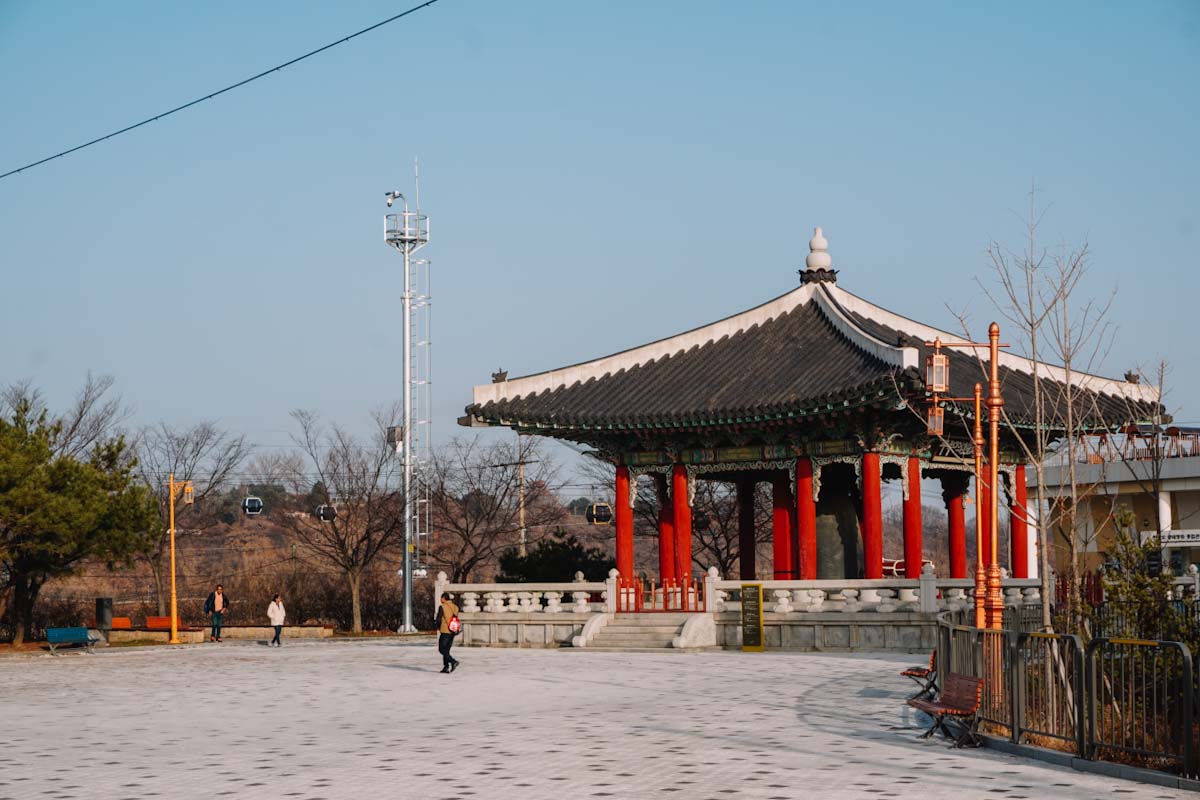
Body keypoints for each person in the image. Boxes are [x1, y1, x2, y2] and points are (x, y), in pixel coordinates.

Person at [434, 592, 460, 673]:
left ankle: (453, 661)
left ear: (444, 598)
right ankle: (446, 667)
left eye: (441, 598)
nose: (440, 600)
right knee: (446, 650)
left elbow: (438, 619)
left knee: (441, 649)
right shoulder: (455, 607)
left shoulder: (442, 607)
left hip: (445, 630)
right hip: (453, 630)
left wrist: (437, 626)